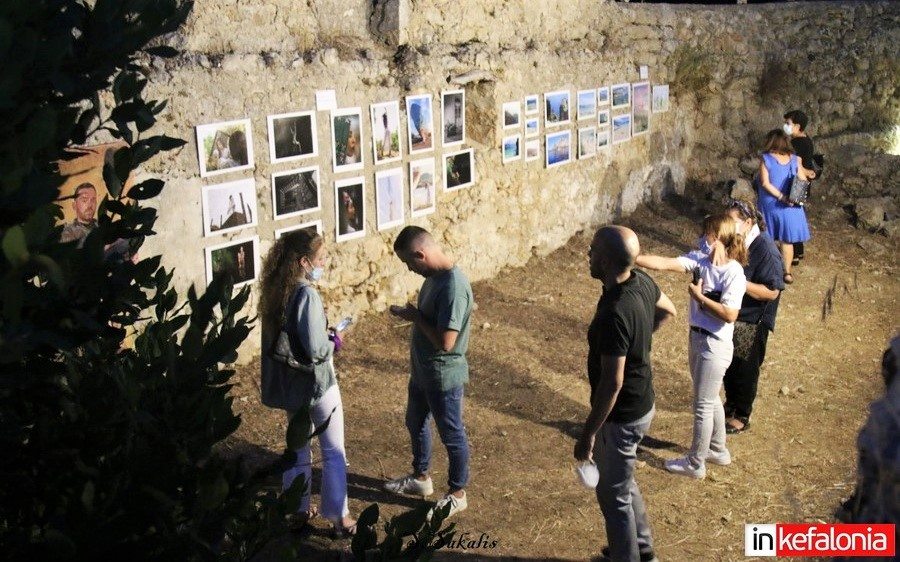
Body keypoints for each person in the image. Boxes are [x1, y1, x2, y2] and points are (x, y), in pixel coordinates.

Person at [573, 226, 676, 562]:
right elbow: (668, 310)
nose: (588, 254)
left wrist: (589, 433)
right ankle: (642, 549)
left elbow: (611, 384)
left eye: (592, 250)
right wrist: (640, 341)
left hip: (622, 415)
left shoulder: (615, 314)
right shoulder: (642, 282)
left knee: (612, 495)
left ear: (604, 260)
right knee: (624, 482)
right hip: (642, 403)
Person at [258, 230, 356, 537]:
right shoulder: (306, 295)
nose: (324, 263)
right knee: (333, 450)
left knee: (298, 448)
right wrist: (334, 341)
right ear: (304, 262)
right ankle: (339, 517)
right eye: (321, 258)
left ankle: (294, 510)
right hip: (317, 385)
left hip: (291, 387)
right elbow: (315, 350)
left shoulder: (277, 292)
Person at [636, 214, 747, 479]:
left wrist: (699, 298)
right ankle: (718, 450)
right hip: (697, 338)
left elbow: (731, 314)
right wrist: (633, 258)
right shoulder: (699, 261)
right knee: (710, 399)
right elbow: (665, 263)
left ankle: (696, 462)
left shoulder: (734, 274)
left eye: (706, 233)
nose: (702, 237)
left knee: (702, 405)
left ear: (717, 237)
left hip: (715, 346)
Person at [385, 226, 473, 520]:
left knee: (452, 434)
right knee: (415, 422)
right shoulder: (434, 279)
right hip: (422, 373)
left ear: (420, 254)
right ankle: (421, 479)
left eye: (409, 263)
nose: (410, 269)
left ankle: (458, 494)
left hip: (442, 376)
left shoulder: (453, 286)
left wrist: (414, 317)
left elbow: (447, 342)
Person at [722, 198, 784, 434]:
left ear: (747, 223)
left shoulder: (765, 249)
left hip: (753, 320)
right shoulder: (737, 242)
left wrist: (738, 282)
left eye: (731, 221)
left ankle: (742, 414)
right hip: (735, 314)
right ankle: (731, 403)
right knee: (730, 362)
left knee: (745, 368)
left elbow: (771, 290)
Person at [756, 129, 810, 284]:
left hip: (771, 205)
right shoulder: (794, 159)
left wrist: (781, 197)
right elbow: (802, 178)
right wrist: (793, 198)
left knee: (768, 239)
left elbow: (765, 183)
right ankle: (786, 272)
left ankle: (767, 270)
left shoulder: (766, 159)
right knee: (787, 241)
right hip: (790, 208)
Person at [783, 110, 816, 265]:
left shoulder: (798, 143)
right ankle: (799, 251)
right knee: (796, 214)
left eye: (788, 124)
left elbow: (798, 164)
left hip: (796, 183)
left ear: (797, 126)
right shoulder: (807, 140)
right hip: (803, 183)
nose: (786, 126)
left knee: (791, 218)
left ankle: (794, 253)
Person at [60, 182, 98, 247]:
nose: (90, 205)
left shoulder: (103, 228)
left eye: (93, 200)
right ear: (74, 205)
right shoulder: (67, 233)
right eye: (84, 200)